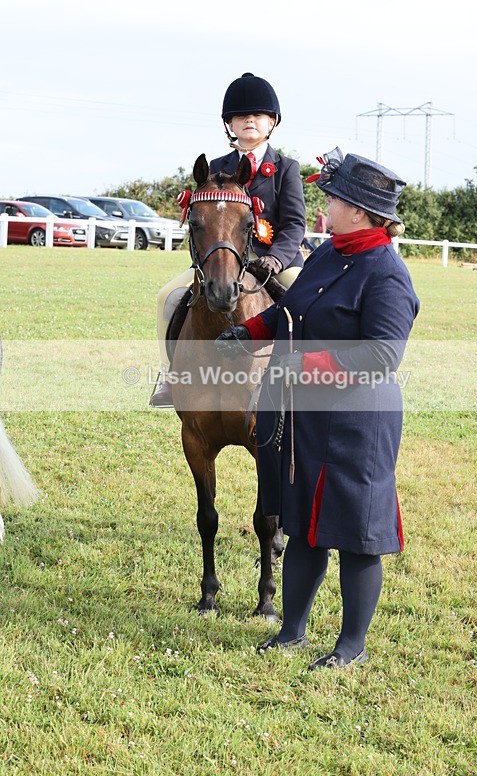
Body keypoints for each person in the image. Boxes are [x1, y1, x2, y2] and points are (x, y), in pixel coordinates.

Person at [215, 148, 420, 669]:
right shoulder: (329, 254)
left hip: (358, 422)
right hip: (306, 415)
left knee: (356, 536)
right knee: (304, 521)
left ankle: (351, 646)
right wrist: (250, 331)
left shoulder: (387, 274)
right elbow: (288, 310)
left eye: (333, 197)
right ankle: (293, 630)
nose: (325, 204)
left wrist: (300, 368)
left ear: (359, 209)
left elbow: (381, 355)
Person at [149, 72, 306, 407]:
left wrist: (275, 258)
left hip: (273, 262)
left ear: (271, 123)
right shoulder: (214, 168)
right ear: (229, 125)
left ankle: (303, 378)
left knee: (303, 302)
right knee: (168, 296)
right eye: (240, 116)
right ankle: (170, 376)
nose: (249, 120)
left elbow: (294, 224)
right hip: (221, 262)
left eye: (258, 116)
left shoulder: (286, 168)